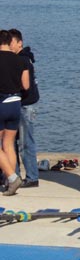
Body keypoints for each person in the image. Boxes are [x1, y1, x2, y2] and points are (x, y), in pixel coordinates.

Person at [9, 29, 40, 188]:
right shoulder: (24, 58)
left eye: (11, 43)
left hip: (25, 105)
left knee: (25, 142)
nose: (9, 46)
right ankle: (14, 174)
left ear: (19, 43)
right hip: (22, 104)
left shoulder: (23, 60)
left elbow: (25, 86)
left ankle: (31, 176)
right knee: (13, 142)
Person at [0, 30, 30, 196]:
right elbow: (26, 85)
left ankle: (11, 178)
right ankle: (10, 180)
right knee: (9, 144)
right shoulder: (21, 60)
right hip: (15, 103)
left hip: (1, 102)